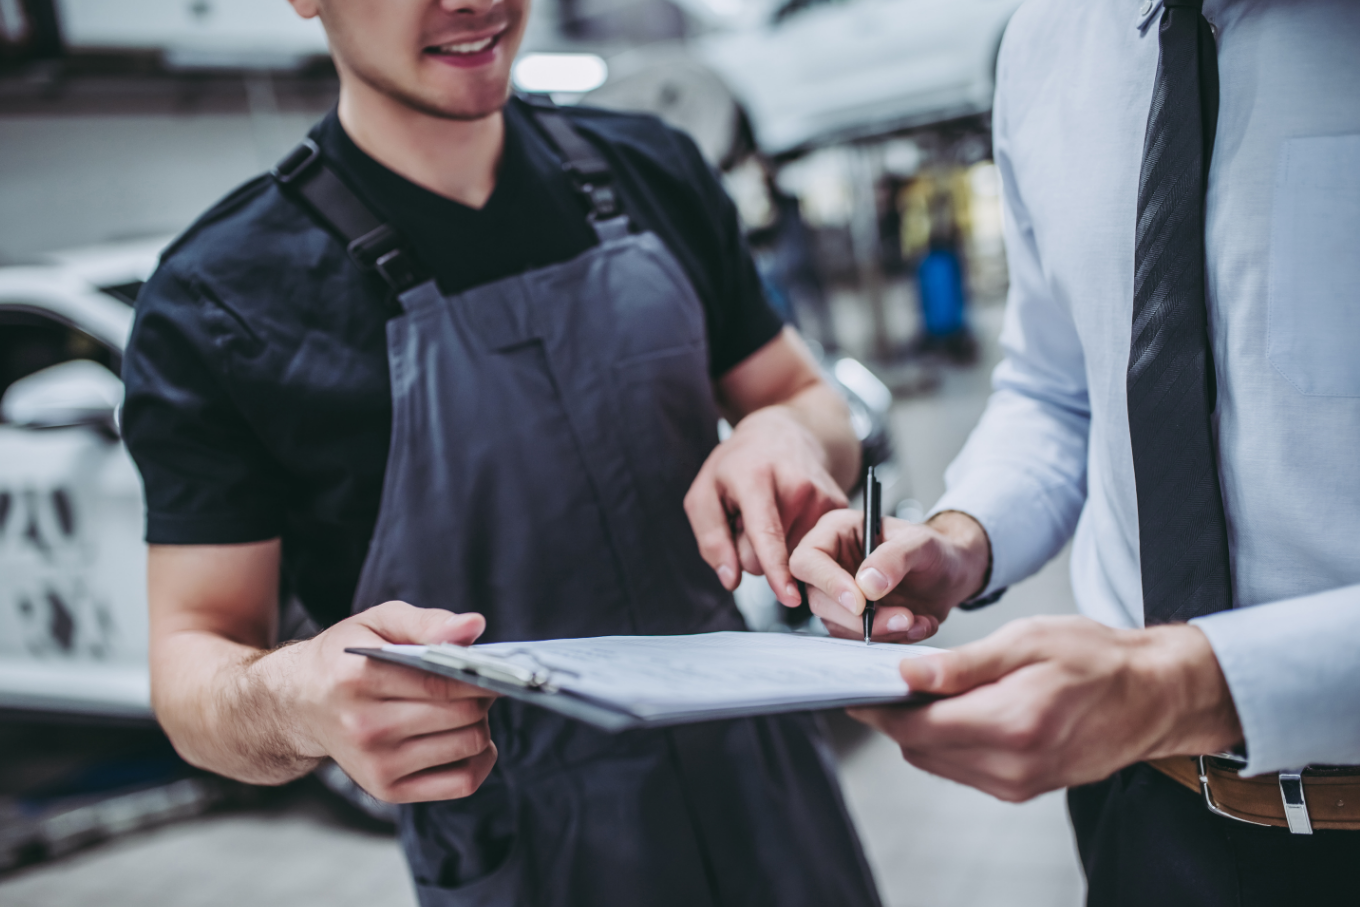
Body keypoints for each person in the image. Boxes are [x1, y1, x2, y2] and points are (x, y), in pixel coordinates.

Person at [122, 1, 881, 904]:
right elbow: (192, 657)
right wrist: (293, 699)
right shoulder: (219, 302)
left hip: (767, 791)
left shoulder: (652, 168)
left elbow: (806, 399)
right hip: (520, 845)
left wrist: (784, 429)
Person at [792, 0, 1360, 903]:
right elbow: (1056, 389)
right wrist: (959, 536)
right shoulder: (1046, 45)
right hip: (1144, 809)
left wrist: (1184, 683)